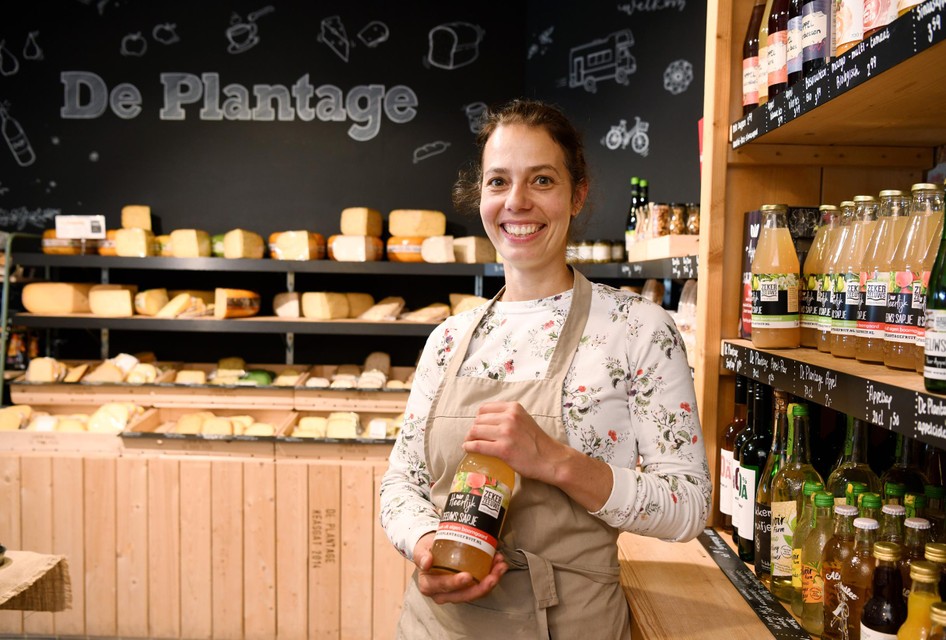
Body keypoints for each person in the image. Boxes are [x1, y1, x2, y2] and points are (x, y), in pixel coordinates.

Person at [379, 98, 711, 638]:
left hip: (570, 625)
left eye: (541, 180)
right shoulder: (448, 340)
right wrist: (427, 549)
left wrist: (557, 462)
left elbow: (687, 505)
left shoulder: (638, 329)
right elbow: (401, 483)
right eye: (498, 182)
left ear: (577, 194)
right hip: (439, 625)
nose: (516, 202)